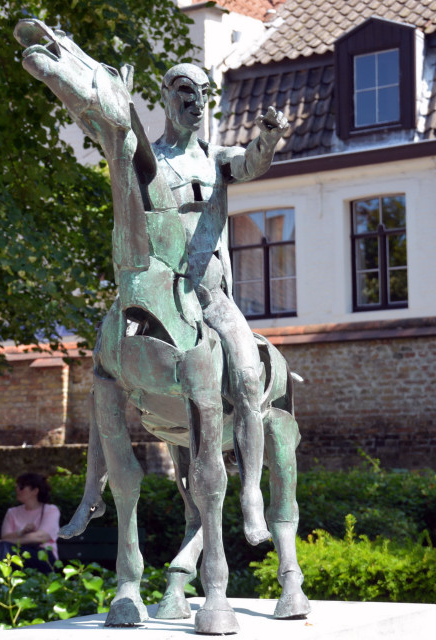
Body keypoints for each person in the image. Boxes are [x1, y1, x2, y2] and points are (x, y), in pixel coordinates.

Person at [152, 64, 288, 546]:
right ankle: (96, 485)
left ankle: (250, 492)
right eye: (186, 92)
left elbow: (250, 163)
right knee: (108, 366)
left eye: (203, 95)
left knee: (249, 377)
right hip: (161, 295)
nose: (195, 103)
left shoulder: (216, 158)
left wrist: (267, 139)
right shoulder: (147, 161)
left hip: (211, 294)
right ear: (164, 94)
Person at [0, 473, 60, 573]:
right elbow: (5, 537)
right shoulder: (12, 512)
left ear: (35, 491)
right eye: (16, 486)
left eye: (21, 487)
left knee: (3, 547)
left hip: (43, 558)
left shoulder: (51, 510)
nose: (17, 489)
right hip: (16, 556)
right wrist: (21, 532)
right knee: (3, 548)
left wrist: (2, 542)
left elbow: (41, 537)